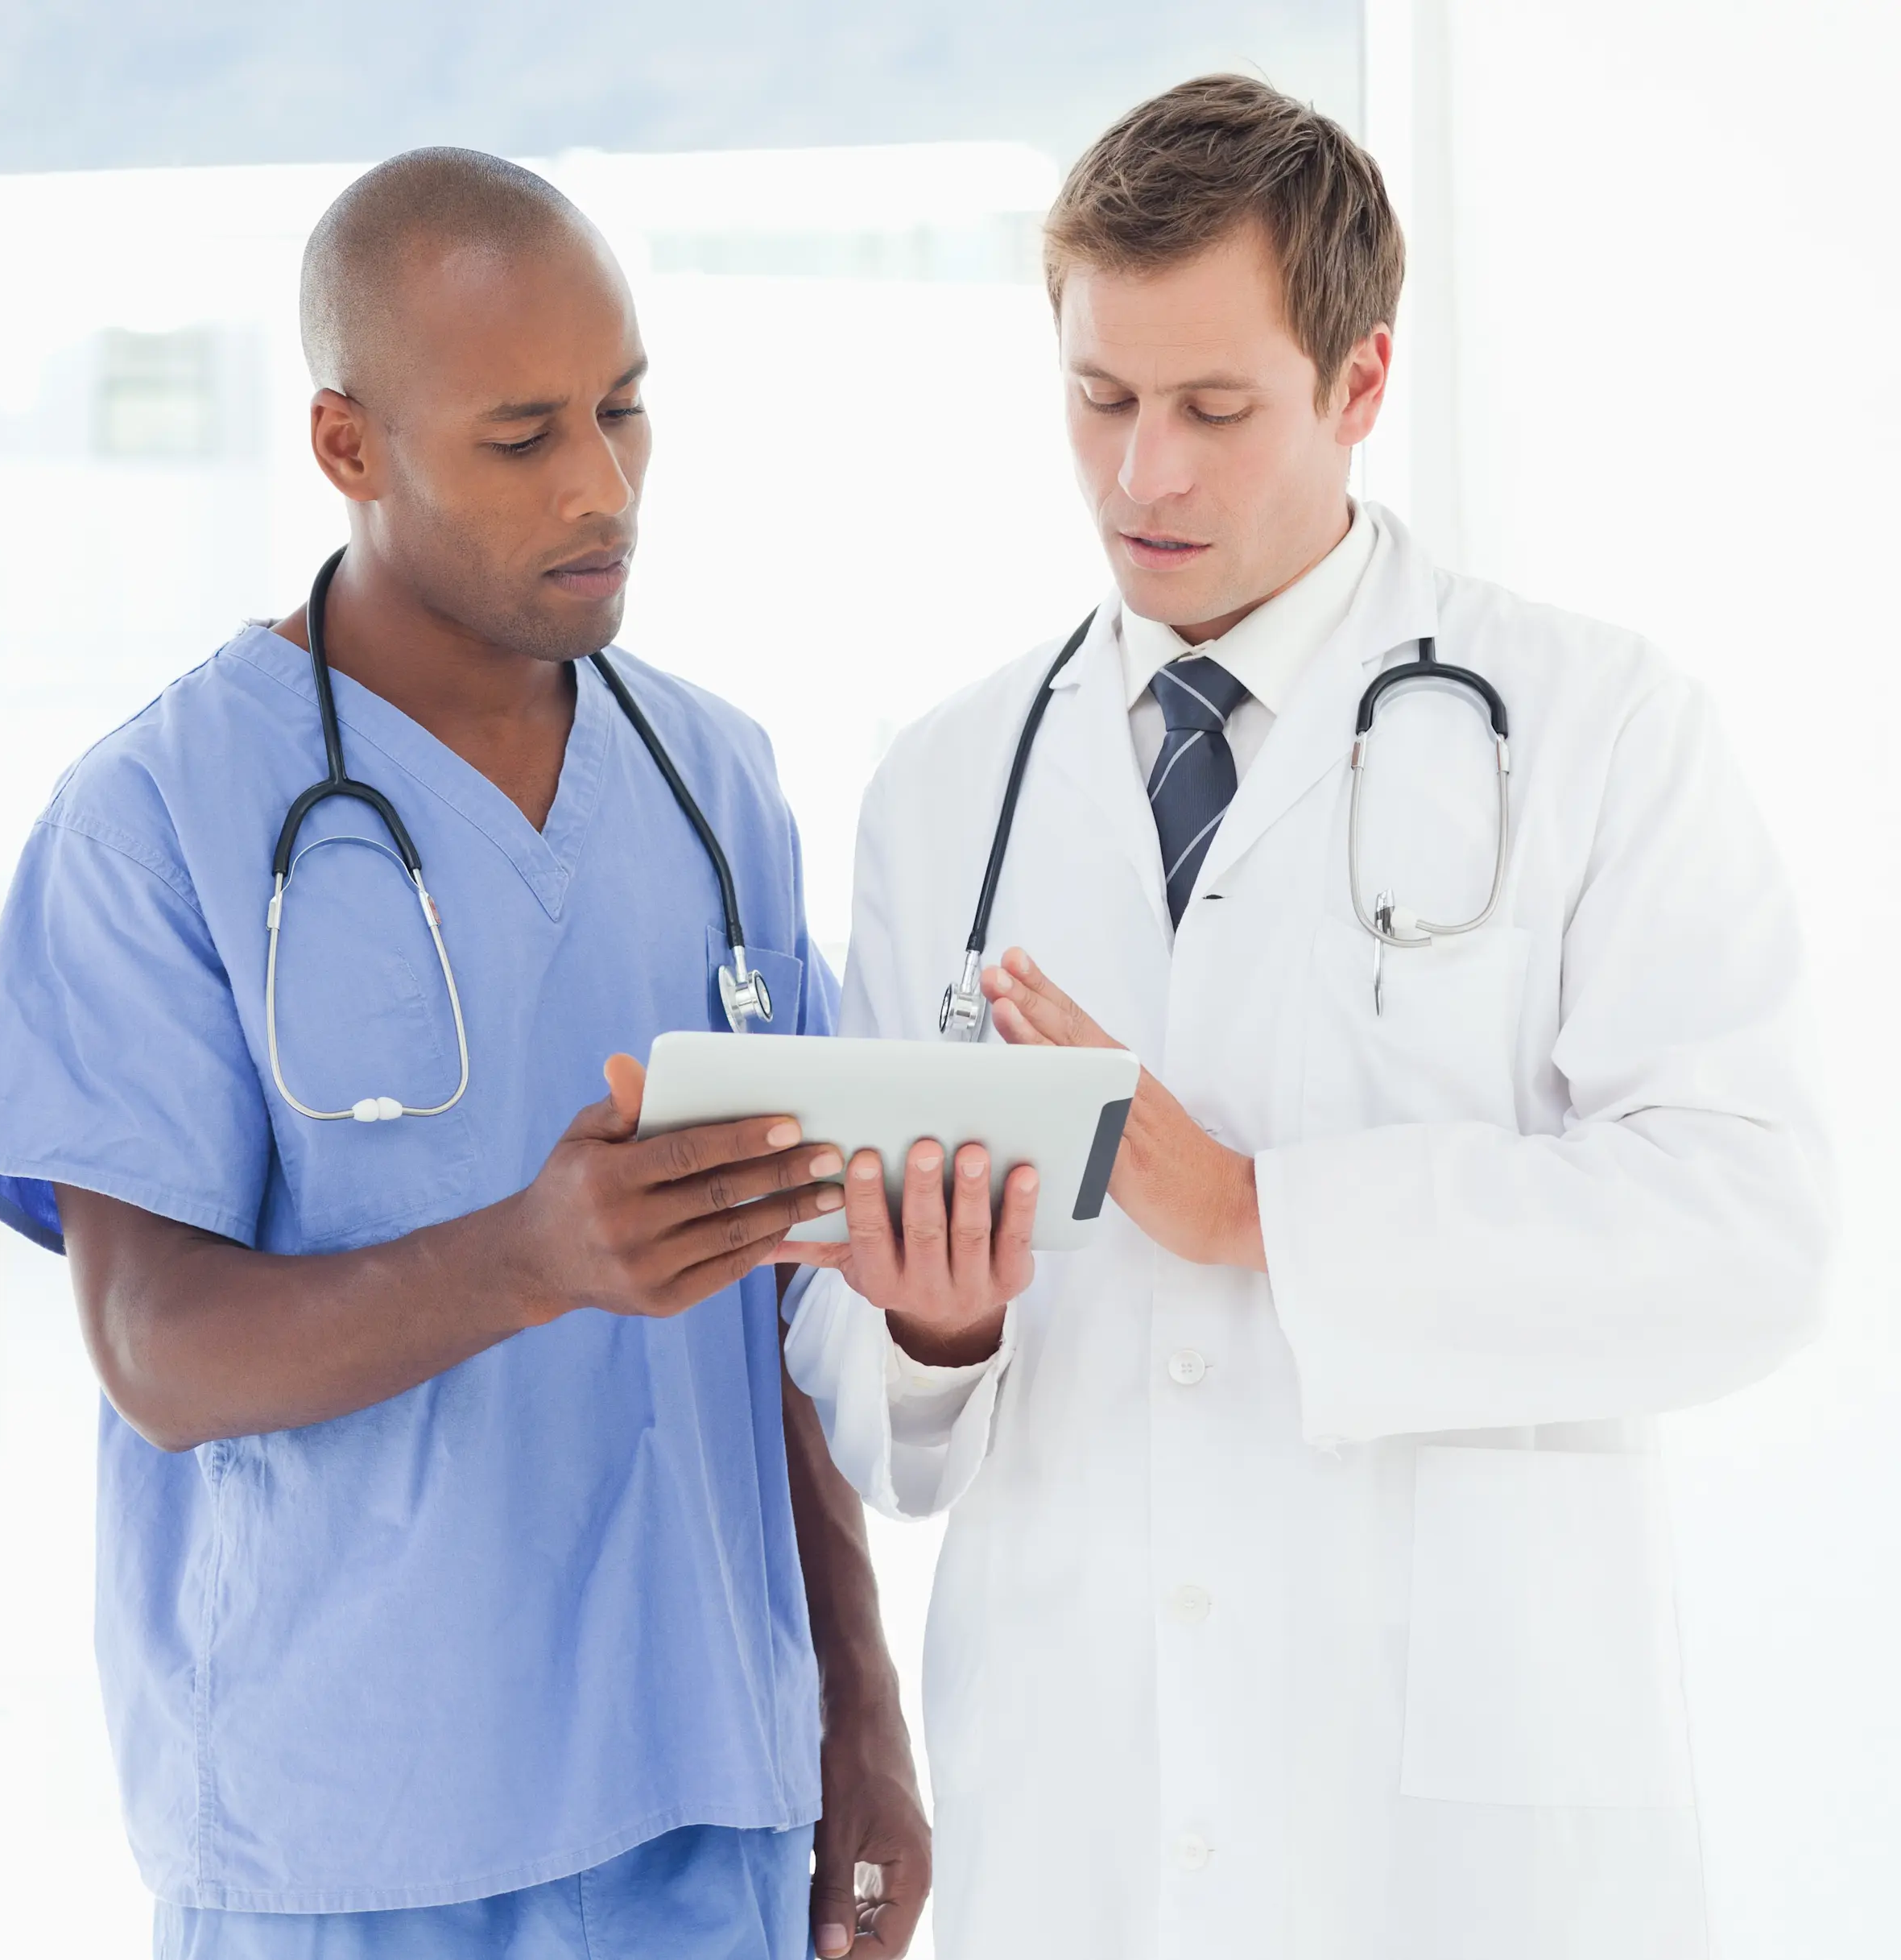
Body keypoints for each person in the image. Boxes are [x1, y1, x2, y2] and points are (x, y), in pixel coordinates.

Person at [780, 76, 1829, 1960]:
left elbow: (1748, 1235)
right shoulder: (951, 787)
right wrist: (932, 1322)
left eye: (1214, 408)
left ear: (1358, 384)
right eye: (1099, 400)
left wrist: (1264, 1212)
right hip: (1082, 1822)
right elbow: (862, 1382)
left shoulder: (1595, 726)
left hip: (1460, 1849)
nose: (1141, 478)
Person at [0, 148, 928, 1959]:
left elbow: (774, 1313)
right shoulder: (157, 814)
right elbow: (153, 1347)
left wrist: (859, 1707)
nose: (603, 486)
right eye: (524, 434)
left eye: (628, 413)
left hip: (707, 1796)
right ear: (347, 444)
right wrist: (531, 1258)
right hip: (350, 1833)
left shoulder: (717, 788)